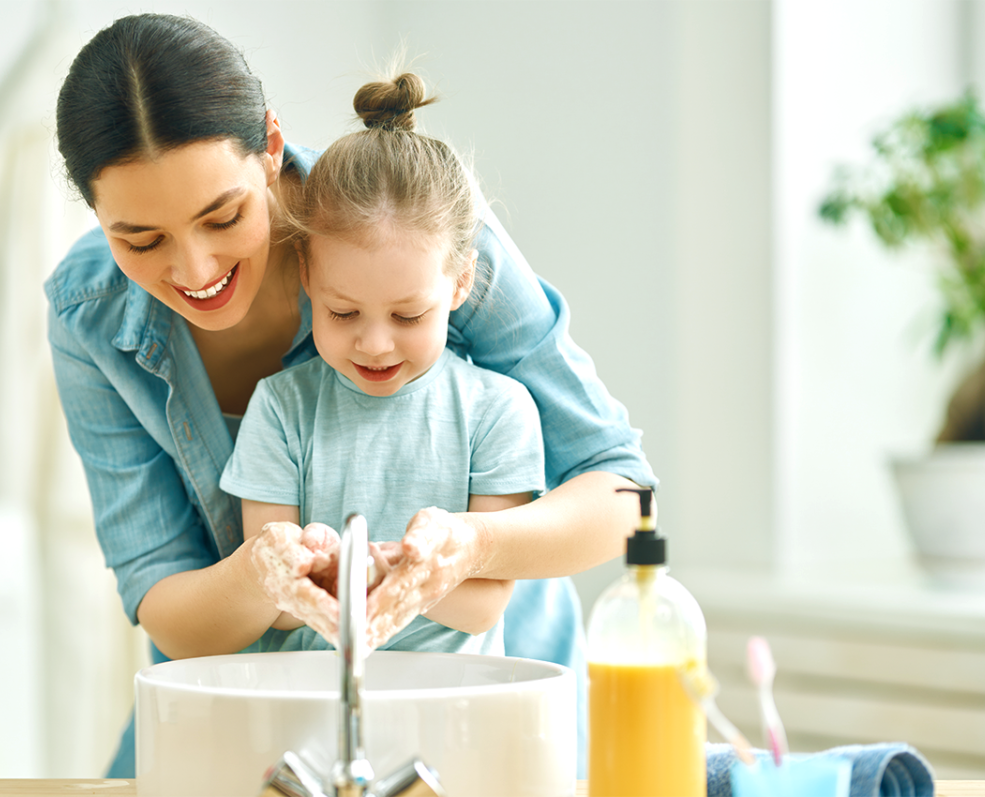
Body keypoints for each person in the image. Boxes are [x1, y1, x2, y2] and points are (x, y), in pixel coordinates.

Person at [46, 12, 656, 777]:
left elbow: (625, 492)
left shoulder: (415, 230)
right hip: (251, 700)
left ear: (270, 147)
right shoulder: (89, 314)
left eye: (223, 215)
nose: (194, 266)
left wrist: (474, 547)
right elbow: (160, 594)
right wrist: (257, 574)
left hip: (485, 700)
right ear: (96, 215)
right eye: (140, 240)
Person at [220, 69, 544, 657]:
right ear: (307, 277)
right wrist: (306, 568)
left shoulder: (498, 412)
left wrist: (373, 572)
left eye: (408, 317)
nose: (375, 344)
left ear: (461, 282)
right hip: (313, 707)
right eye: (343, 314)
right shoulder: (281, 409)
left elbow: (482, 607)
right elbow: (278, 608)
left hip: (455, 711)